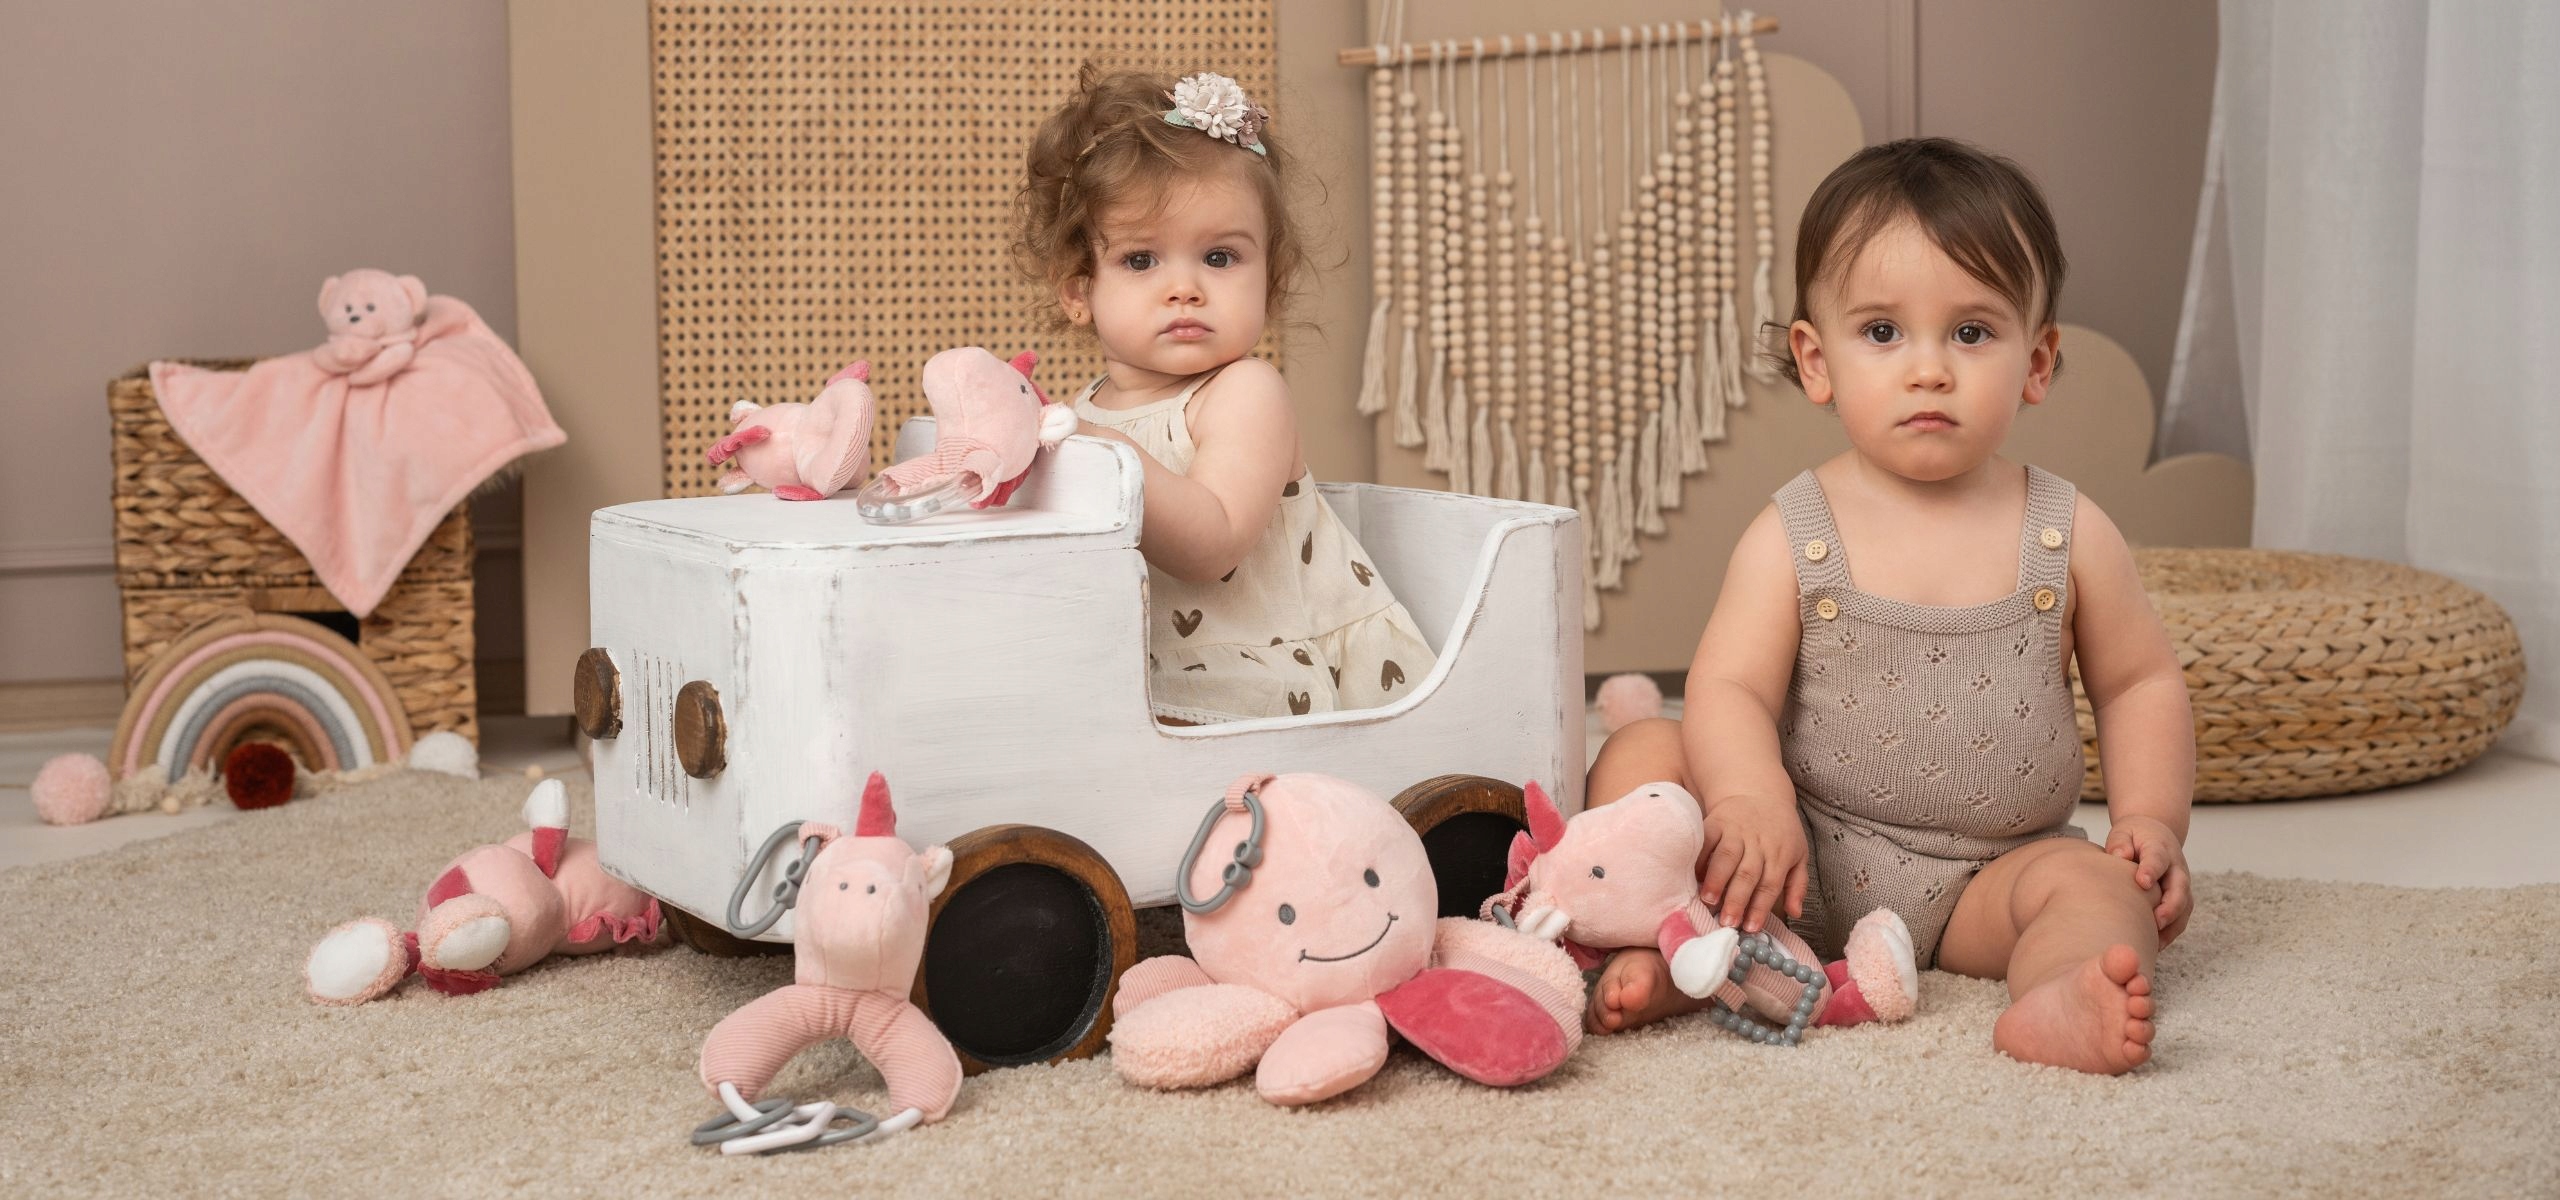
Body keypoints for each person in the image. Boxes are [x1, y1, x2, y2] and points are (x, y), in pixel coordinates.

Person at [1584, 138, 2195, 1074]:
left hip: (1992, 874)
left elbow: (2139, 683)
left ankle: (2061, 993)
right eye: (1882, 333)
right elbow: (1731, 688)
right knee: (1642, 757)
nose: (1929, 370)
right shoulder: (1795, 532)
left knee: (2098, 890)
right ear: (1816, 360)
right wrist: (1750, 798)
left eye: (1972, 333)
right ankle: (1682, 946)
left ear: (2037, 361)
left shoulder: (2068, 532)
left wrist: (2152, 822)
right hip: (1795, 859)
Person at [1016, 66, 1437, 725]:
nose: (1184, 289)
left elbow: (1210, 544)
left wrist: (1098, 451)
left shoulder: (1244, 393)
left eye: (1219, 258)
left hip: (1283, 680)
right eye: (1140, 260)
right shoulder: (1086, 410)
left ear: (1270, 280)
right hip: (1154, 680)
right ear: (1079, 289)